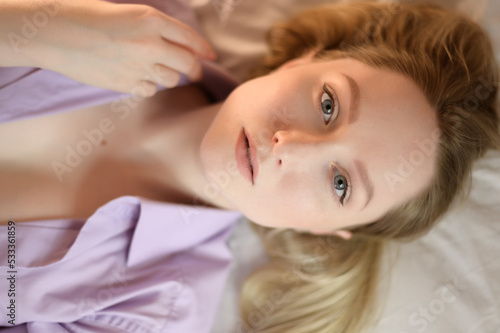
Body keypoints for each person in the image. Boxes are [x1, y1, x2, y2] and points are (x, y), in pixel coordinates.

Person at [0, 0, 498, 332]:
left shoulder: (150, 309)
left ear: (327, 230)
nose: (290, 147)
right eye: (328, 106)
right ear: (303, 60)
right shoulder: (127, 19)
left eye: (341, 184)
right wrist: (29, 28)